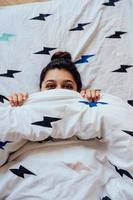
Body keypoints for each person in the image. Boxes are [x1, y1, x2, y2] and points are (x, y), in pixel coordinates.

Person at [8, 51, 100, 107]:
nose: (58, 91)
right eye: (51, 86)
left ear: (78, 90)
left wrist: (93, 100)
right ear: (41, 90)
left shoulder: (87, 106)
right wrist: (18, 104)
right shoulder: (28, 105)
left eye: (68, 86)